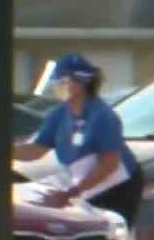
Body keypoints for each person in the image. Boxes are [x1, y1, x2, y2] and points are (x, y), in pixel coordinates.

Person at [12, 54, 144, 227]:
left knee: (111, 232)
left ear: (81, 83)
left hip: (118, 185)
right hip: (85, 183)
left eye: (62, 81)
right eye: (55, 80)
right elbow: (36, 150)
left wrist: (70, 193)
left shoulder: (102, 116)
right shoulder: (59, 115)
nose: (56, 85)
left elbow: (109, 164)